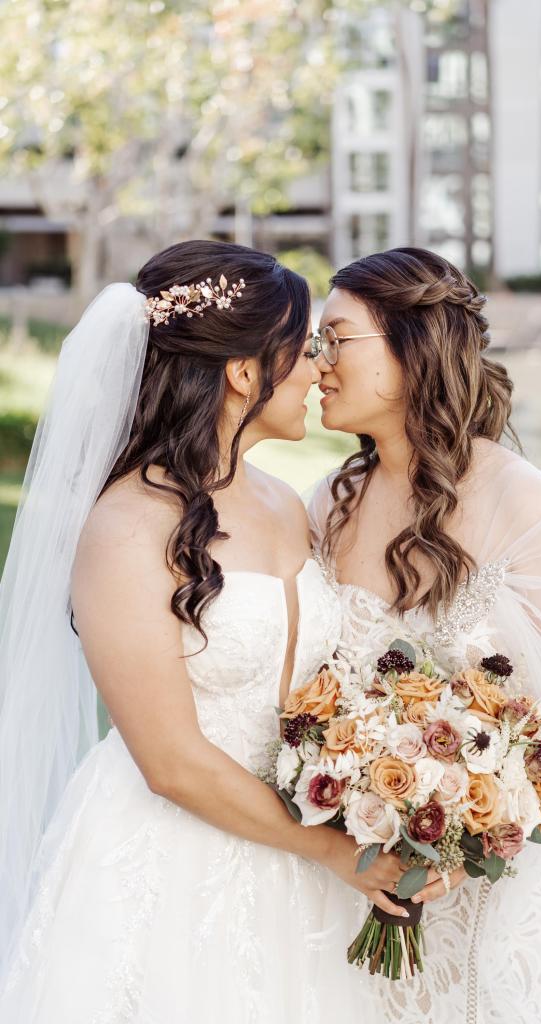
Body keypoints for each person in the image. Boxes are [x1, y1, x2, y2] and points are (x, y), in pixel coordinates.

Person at [0, 241, 408, 1022]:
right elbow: (171, 762)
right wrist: (335, 851)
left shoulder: (286, 503)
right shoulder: (128, 525)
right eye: (304, 350)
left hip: (302, 856)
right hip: (172, 865)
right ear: (244, 372)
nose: (318, 370)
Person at [308, 247, 541, 1024]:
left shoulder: (522, 502)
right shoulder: (330, 504)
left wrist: (468, 835)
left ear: (411, 347)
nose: (317, 363)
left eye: (335, 339)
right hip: (353, 867)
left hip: (487, 882)